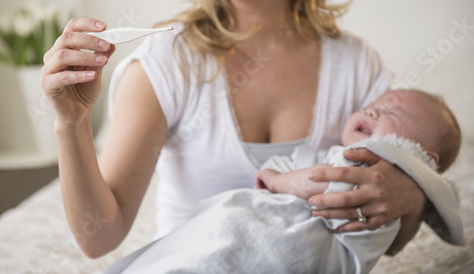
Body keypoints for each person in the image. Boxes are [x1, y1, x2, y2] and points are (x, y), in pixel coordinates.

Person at [40, 0, 434, 260]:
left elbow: (393, 241)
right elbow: (99, 239)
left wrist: (413, 193)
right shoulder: (166, 63)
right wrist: (71, 124)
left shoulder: (356, 67)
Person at [102, 89, 463, 273]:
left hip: (272, 250)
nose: (372, 111)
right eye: (375, 104)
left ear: (419, 156)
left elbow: (327, 192)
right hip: (235, 221)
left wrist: (284, 180)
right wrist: (279, 177)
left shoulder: (379, 192)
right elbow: (276, 173)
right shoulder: (324, 154)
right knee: (191, 245)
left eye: (392, 114)